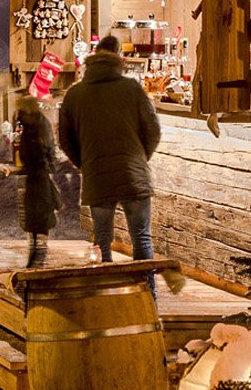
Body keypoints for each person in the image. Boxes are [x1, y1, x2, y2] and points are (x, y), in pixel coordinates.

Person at [57, 33, 161, 274]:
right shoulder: (132, 89)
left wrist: (87, 164)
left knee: (102, 241)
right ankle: (147, 300)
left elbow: (65, 141)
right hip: (133, 174)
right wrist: (139, 159)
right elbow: (153, 130)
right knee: (141, 239)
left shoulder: (75, 94)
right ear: (119, 58)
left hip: (97, 176)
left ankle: (104, 301)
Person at [14, 93, 60, 267]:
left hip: (39, 178)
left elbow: (46, 152)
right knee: (34, 220)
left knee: (40, 219)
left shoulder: (40, 128)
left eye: (21, 112)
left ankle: (38, 260)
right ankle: (34, 258)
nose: (19, 116)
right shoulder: (32, 127)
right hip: (35, 177)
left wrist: (45, 167)